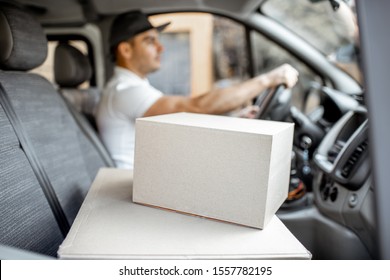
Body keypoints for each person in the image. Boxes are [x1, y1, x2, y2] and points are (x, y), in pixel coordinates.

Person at [96, 11, 299, 169]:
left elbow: (179, 123)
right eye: (150, 41)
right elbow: (196, 106)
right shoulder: (125, 91)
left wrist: (234, 119)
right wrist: (268, 79)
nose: (161, 47)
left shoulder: (130, 87)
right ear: (125, 50)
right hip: (132, 192)